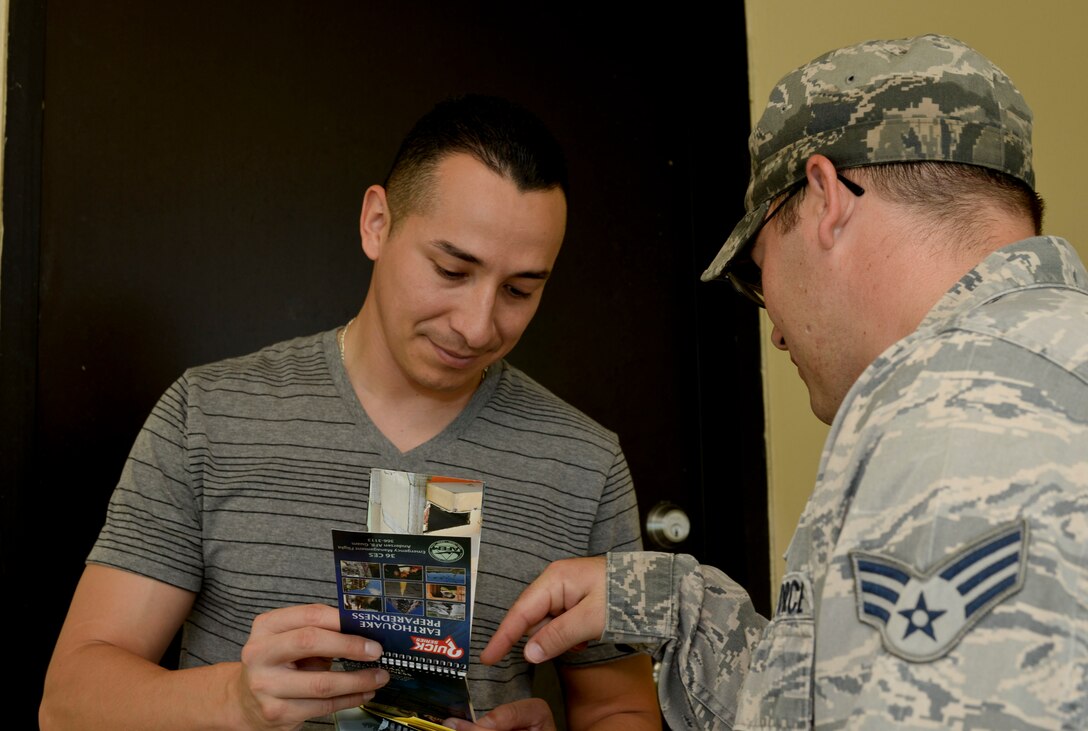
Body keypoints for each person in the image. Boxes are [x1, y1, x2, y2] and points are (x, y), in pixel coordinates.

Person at [471, 34, 1088, 731]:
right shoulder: (1041, 368)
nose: (777, 331)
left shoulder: (950, 416)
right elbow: (851, 696)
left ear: (825, 196)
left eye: (760, 270)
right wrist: (672, 607)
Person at [39, 95, 660, 731]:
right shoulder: (209, 416)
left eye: (519, 291)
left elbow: (622, 709)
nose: (477, 327)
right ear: (377, 224)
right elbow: (68, 702)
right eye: (452, 269)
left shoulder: (585, 464)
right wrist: (235, 701)